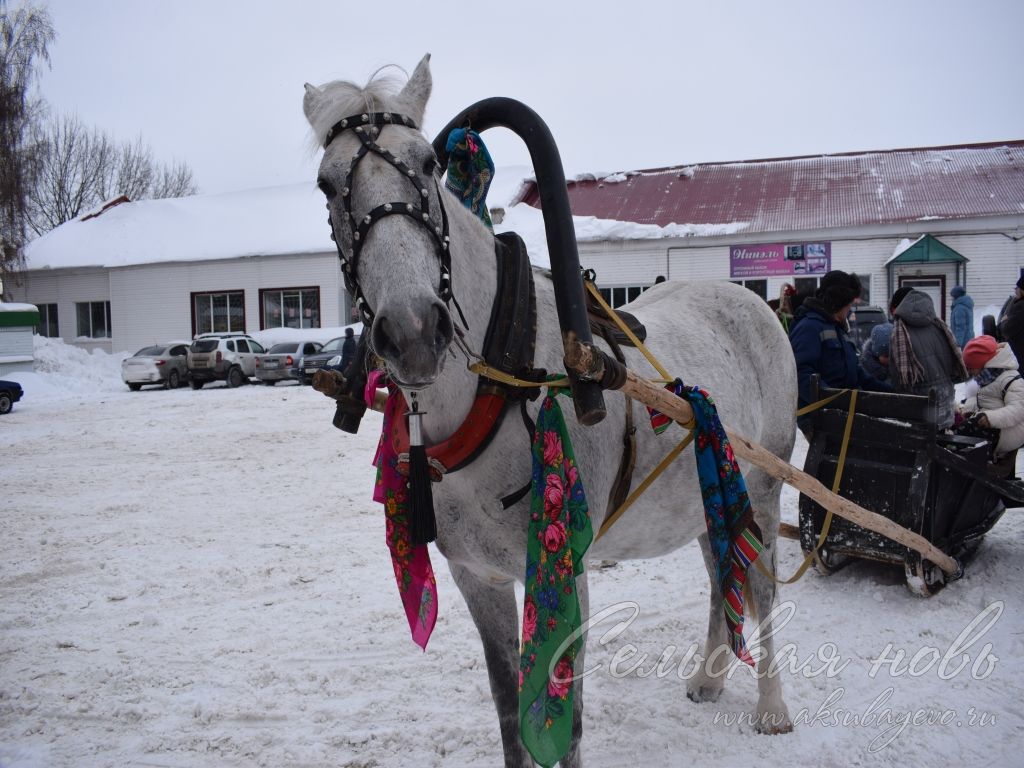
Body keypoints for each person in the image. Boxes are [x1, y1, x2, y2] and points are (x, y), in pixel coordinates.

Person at [789, 270, 891, 438]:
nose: (850, 310)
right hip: (821, 418)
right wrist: (834, 400)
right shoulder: (809, 327)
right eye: (848, 305)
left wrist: (888, 392)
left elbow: (856, 373)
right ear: (837, 302)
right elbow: (801, 374)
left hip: (843, 413)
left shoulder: (836, 327)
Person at [888, 288, 967, 428]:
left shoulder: (900, 332)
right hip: (946, 406)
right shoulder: (940, 326)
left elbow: (901, 380)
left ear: (897, 307)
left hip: (921, 414)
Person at [958, 335, 1024, 476]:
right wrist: (969, 410)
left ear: (983, 364)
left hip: (1013, 429)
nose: (969, 372)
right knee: (964, 428)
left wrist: (990, 418)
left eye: (971, 368)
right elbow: (984, 400)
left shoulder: (1010, 379)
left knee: (969, 430)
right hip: (999, 425)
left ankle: (989, 468)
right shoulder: (987, 378)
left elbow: (1018, 410)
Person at [999, 275, 1024, 371]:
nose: (1015, 290)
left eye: (1017, 287)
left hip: (1020, 354)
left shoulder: (1020, 306)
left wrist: (1005, 320)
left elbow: (1007, 330)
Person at [949, 285, 975, 349]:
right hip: (969, 338)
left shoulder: (959, 308)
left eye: (952, 296)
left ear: (956, 296)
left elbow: (960, 327)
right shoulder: (966, 305)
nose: (951, 299)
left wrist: (958, 343)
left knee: (962, 358)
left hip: (963, 341)